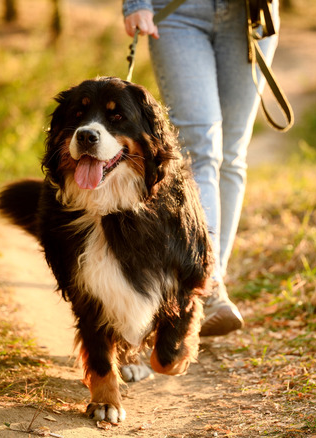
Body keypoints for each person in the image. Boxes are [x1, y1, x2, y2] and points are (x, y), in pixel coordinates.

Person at [122, 0, 279, 336]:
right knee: (201, 151)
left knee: (233, 155)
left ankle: (203, 287)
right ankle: (209, 288)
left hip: (250, 15)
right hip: (179, 12)